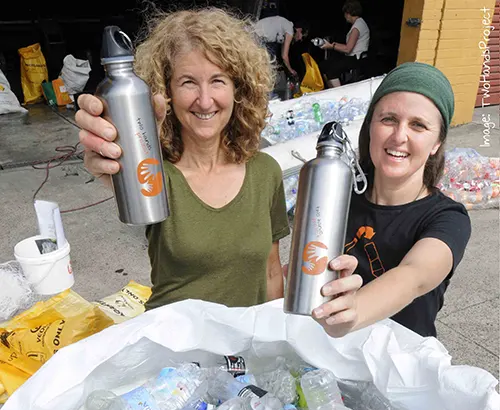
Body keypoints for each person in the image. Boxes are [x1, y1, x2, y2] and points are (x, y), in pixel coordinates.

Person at [75, 8, 291, 310]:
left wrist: (276, 341)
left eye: (218, 81)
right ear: (166, 92)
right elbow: (121, 172)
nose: (204, 100)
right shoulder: (153, 174)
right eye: (188, 82)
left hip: (245, 348)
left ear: (239, 89)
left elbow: (270, 272)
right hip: (174, 349)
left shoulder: (266, 172)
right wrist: (106, 157)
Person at [310, 62, 471, 339]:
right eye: (388, 119)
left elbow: (413, 276)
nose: (399, 137)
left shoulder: (448, 218)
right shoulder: (335, 196)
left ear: (436, 143)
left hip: (400, 368)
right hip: (327, 359)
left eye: (418, 125)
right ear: (370, 126)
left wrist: (354, 309)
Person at [319, 1, 370, 87]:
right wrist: (332, 45)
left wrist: (332, 46)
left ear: (348, 13)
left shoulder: (357, 27)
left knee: (332, 71)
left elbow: (347, 49)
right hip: (353, 57)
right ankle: (331, 91)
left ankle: (340, 94)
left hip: (356, 59)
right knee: (324, 65)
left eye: (345, 13)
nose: (344, 16)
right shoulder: (358, 24)